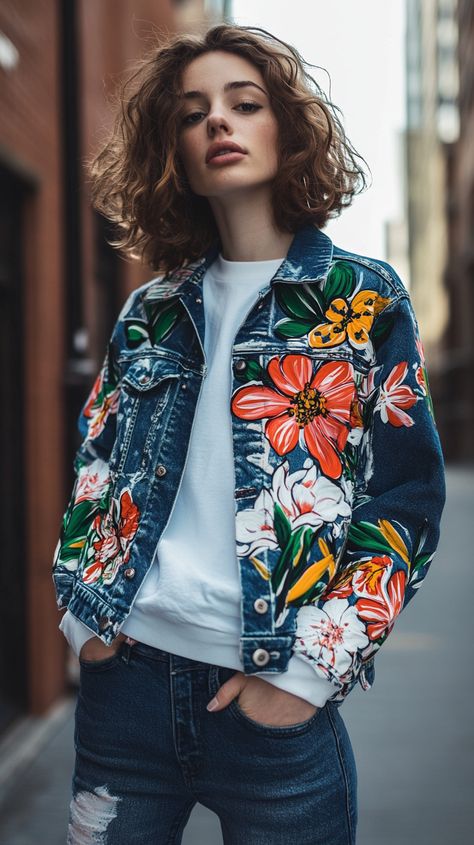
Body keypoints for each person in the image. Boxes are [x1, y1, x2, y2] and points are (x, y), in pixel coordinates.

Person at [52, 23, 446, 845]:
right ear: (177, 153)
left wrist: (309, 673)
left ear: (287, 129)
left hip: (276, 703)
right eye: (193, 114)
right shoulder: (150, 311)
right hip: (126, 695)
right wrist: (85, 627)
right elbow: (96, 464)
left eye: (244, 103)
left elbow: (405, 500)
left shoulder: (360, 299)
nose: (218, 124)